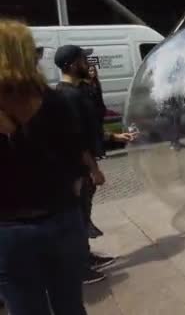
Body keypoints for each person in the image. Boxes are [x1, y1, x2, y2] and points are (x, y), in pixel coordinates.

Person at [0, 19, 87, 315]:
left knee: (25, 308)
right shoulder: (54, 101)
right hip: (61, 219)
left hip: (9, 231)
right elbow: (76, 164)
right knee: (70, 306)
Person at [54, 45, 131, 284]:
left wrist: (114, 137)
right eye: (82, 60)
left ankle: (85, 256)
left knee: (83, 214)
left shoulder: (78, 91)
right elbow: (76, 140)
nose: (88, 64)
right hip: (77, 167)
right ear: (71, 65)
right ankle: (79, 267)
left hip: (82, 164)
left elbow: (92, 123)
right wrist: (93, 170)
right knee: (77, 218)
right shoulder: (66, 95)